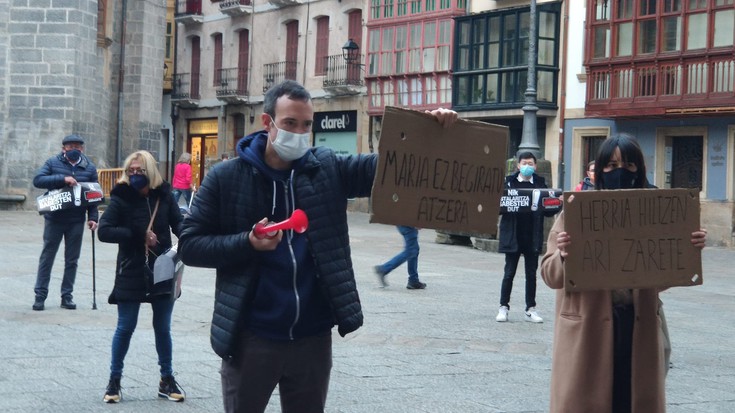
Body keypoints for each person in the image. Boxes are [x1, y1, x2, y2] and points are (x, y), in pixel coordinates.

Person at [178, 80, 457, 413]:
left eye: (306, 124)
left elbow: (388, 167)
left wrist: (429, 131)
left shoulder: (326, 168)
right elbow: (190, 245)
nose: (299, 132)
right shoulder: (226, 177)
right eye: (290, 123)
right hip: (252, 337)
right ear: (268, 123)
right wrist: (247, 243)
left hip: (312, 340)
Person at [540, 134, 708, 413]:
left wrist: (686, 252)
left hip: (637, 326)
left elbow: (658, 278)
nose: (620, 171)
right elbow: (549, 275)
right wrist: (564, 255)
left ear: (640, 169)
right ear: (600, 169)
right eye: (612, 164)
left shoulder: (652, 212)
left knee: (630, 401)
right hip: (588, 331)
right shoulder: (576, 211)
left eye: (629, 165)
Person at [97, 150, 185, 404]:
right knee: (125, 326)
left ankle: (166, 379)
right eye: (131, 171)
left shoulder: (164, 195)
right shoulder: (121, 197)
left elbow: (179, 224)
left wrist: (190, 240)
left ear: (151, 171)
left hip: (163, 267)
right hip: (131, 267)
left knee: (163, 327)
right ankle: (114, 381)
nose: (135, 175)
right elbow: (105, 231)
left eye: (140, 171)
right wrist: (137, 234)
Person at [32, 134, 99, 311]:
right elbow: (38, 180)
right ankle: (40, 295)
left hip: (76, 220)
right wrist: (62, 179)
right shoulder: (52, 163)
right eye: (70, 147)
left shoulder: (89, 168)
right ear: (64, 149)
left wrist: (93, 218)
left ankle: (67, 296)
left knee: (72, 260)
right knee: (47, 257)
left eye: (77, 146)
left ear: (82, 149)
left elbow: (93, 195)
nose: (74, 149)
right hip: (55, 218)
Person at [495, 152, 557, 323]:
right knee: (509, 273)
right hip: (513, 235)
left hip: (532, 236)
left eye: (530, 163)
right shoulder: (508, 182)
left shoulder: (540, 183)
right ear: (518, 165)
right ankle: (503, 307)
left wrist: (558, 203)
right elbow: (499, 206)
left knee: (531, 274)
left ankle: (530, 308)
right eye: (524, 163)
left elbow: (548, 209)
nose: (527, 166)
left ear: (535, 166)